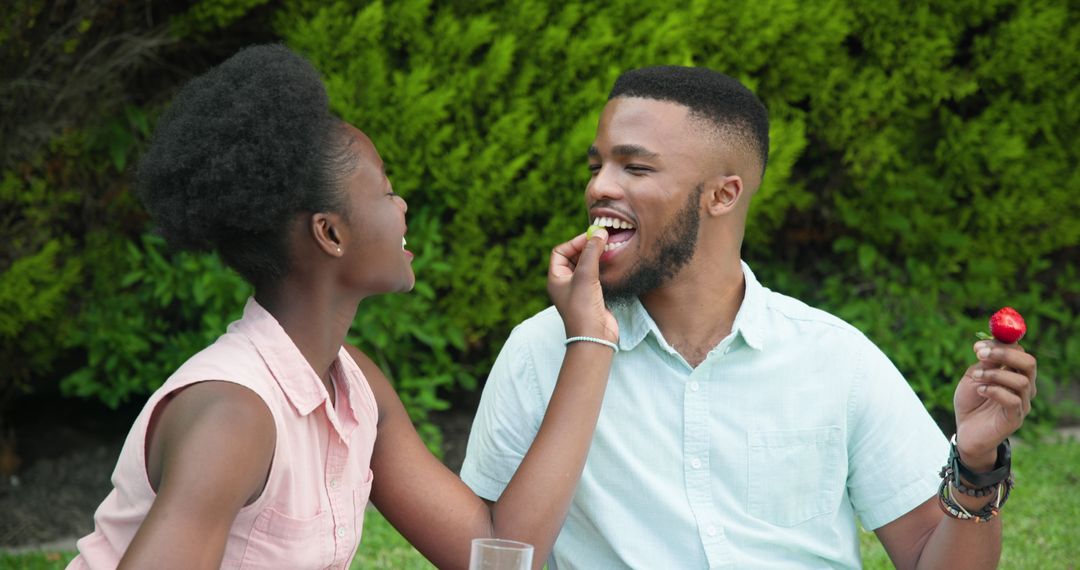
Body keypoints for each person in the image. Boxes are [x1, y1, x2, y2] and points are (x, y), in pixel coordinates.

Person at [461, 66, 1037, 569]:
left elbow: (929, 558)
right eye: (597, 165)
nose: (598, 187)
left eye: (634, 168)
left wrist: (976, 464)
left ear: (723, 195)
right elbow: (496, 553)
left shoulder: (836, 358)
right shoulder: (540, 351)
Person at [68, 44, 619, 570]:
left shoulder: (355, 388)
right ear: (330, 233)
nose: (403, 206)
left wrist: (590, 338)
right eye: (386, 191)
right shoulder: (233, 415)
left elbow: (494, 551)